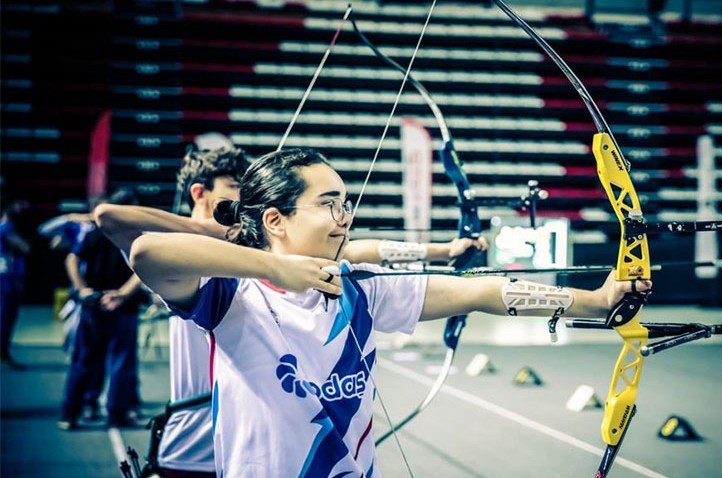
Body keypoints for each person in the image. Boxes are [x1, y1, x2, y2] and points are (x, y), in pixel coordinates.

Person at [119, 148, 649, 477]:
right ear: (276, 220)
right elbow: (147, 252)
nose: (343, 217)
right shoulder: (231, 298)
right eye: (328, 203)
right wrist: (280, 271)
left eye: (345, 203)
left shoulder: (365, 292)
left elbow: (482, 292)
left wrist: (595, 300)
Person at [94, 146, 485, 477]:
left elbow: (359, 250)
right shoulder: (211, 269)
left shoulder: (264, 251)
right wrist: (228, 237)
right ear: (201, 193)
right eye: (233, 188)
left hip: (252, 434)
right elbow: (113, 221)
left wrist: (440, 251)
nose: (241, 195)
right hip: (194, 438)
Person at [59, 189, 148, 430]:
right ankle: (116, 413)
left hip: (95, 303)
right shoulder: (135, 236)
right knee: (120, 361)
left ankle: (70, 413)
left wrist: (82, 289)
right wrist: (121, 295)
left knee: (85, 359)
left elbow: (72, 259)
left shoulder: (96, 232)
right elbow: (143, 270)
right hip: (122, 307)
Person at [0, 198, 31, 369]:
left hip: (11, 278)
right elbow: (24, 247)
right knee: (5, 316)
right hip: (7, 279)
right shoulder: (6, 228)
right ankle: (3, 350)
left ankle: (4, 347)